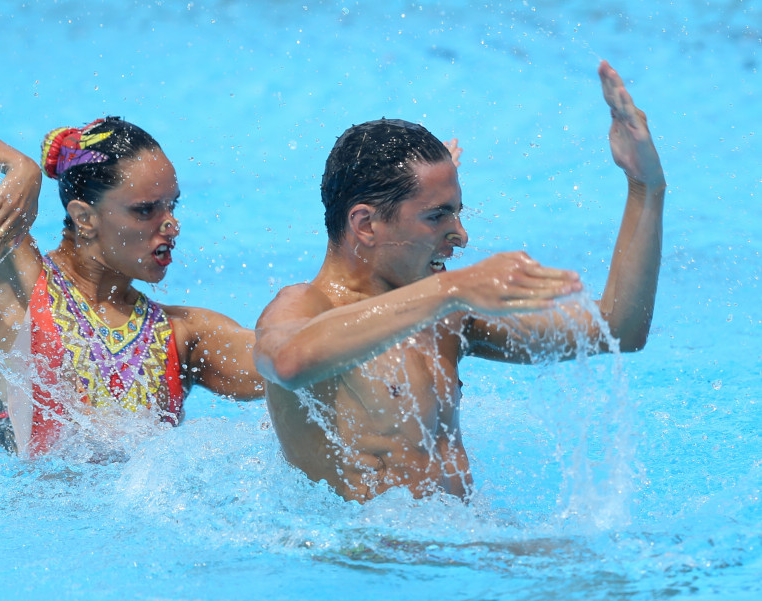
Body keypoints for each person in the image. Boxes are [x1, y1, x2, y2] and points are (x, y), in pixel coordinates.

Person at [253, 60, 665, 503]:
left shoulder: (444, 317)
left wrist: (645, 187)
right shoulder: (305, 307)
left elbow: (617, 329)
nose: (461, 236)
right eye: (436, 216)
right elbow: (288, 362)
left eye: (457, 212)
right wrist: (453, 289)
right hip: (371, 559)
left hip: (456, 546)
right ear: (366, 225)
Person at [0, 99, 263, 456]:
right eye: (146, 209)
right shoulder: (13, 276)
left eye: (172, 205)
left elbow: (290, 361)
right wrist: (16, 165)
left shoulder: (180, 335)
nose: (172, 224)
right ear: (84, 217)